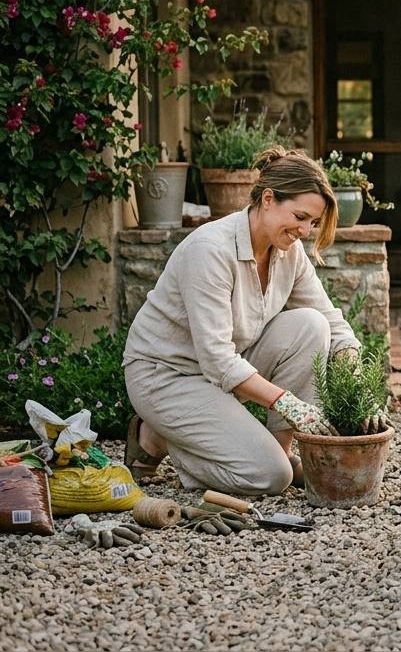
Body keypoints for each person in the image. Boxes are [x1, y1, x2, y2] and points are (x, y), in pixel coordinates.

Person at [122, 146, 386, 495]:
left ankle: (279, 452)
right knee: (271, 477)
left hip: (220, 370)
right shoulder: (211, 250)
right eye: (300, 216)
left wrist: (357, 381)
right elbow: (217, 358)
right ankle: (160, 437)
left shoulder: (288, 253)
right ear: (267, 198)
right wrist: (290, 404)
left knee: (312, 325)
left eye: (313, 223)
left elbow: (332, 323)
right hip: (167, 376)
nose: (305, 231)